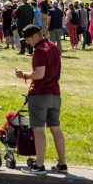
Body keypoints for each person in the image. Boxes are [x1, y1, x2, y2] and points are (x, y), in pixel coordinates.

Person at [15, 25, 67, 175]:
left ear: (35, 36)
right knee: (55, 129)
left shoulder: (39, 50)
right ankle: (62, 163)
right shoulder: (54, 47)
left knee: (38, 130)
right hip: (55, 93)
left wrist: (23, 74)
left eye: (28, 40)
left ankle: (39, 165)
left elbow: (39, 74)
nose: (28, 43)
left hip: (40, 94)